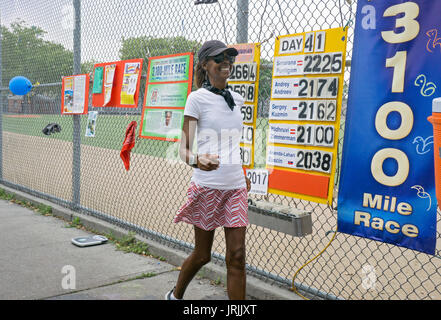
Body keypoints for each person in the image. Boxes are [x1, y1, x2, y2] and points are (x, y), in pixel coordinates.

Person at [165, 40, 251, 300]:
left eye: (229, 58)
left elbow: (232, 143)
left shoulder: (237, 99)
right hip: (207, 186)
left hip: (235, 187)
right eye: (219, 58)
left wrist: (243, 175)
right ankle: (175, 295)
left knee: (237, 256)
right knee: (203, 255)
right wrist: (198, 160)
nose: (226, 62)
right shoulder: (196, 99)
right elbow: (184, 149)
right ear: (205, 65)